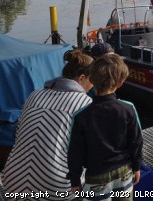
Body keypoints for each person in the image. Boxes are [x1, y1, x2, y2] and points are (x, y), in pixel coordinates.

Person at [1, 50, 94, 199]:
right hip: (54, 186)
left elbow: (18, 135)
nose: (92, 86)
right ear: (81, 78)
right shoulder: (85, 103)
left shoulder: (34, 95)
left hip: (12, 180)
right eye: (92, 80)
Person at [67, 54, 143, 199]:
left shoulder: (81, 116)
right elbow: (136, 141)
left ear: (91, 80)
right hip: (124, 172)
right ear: (119, 83)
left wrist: (75, 179)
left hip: (96, 175)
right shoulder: (128, 109)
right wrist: (137, 166)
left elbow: (75, 152)